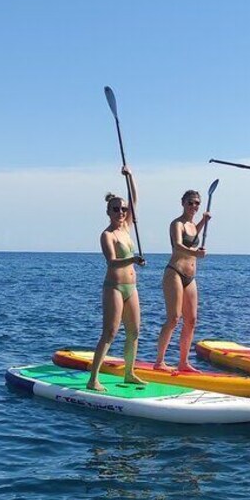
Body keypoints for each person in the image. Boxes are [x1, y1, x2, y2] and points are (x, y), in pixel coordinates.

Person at [86, 166, 147, 392]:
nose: (121, 212)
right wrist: (134, 259)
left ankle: (129, 373)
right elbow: (112, 262)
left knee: (134, 331)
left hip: (132, 287)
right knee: (110, 332)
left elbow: (135, 199)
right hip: (114, 287)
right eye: (116, 209)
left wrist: (130, 176)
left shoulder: (128, 228)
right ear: (108, 212)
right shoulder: (107, 235)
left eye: (123, 209)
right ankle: (93, 379)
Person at [154, 190, 211, 371]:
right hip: (175, 272)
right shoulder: (176, 224)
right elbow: (179, 245)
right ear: (183, 203)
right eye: (191, 203)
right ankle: (159, 362)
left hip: (190, 277)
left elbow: (193, 235)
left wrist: (203, 221)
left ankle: (183, 362)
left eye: (197, 204)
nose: (194, 206)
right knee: (173, 318)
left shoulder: (194, 225)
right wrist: (196, 253)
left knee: (192, 319)